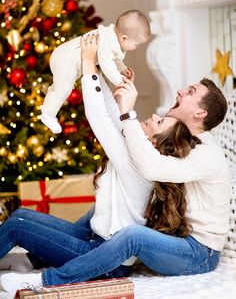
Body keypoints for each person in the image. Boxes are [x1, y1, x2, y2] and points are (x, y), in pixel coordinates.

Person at [0, 35, 202, 296]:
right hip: (92, 240)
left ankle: (29, 266)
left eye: (159, 122)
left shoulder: (139, 165)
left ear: (155, 143)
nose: (153, 116)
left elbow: (98, 119)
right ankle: (26, 263)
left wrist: (86, 64)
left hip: (104, 258)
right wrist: (104, 72)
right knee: (19, 216)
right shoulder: (137, 148)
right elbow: (109, 110)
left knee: (18, 227)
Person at [40, 9, 151, 133]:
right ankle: (47, 115)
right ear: (123, 38)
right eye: (136, 45)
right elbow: (106, 63)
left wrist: (122, 69)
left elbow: (112, 58)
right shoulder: (109, 43)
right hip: (66, 60)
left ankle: (50, 101)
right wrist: (119, 81)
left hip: (64, 57)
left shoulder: (112, 37)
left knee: (58, 88)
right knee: (63, 90)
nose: (137, 48)